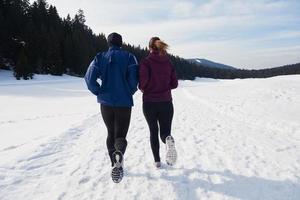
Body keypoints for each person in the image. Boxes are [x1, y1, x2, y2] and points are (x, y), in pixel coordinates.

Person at [84, 32, 138, 183]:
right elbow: (134, 79)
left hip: (106, 103)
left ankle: (114, 163)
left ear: (108, 43)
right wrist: (128, 91)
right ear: (121, 43)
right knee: (120, 135)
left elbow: (89, 79)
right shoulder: (129, 57)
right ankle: (119, 155)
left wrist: (98, 91)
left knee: (110, 133)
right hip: (124, 103)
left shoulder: (99, 57)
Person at [139, 37, 178, 168]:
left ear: (149, 48)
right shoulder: (168, 63)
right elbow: (175, 84)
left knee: (153, 131)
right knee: (165, 132)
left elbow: (142, 83)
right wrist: (164, 87)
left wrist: (144, 88)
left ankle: (157, 161)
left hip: (149, 102)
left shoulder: (146, 62)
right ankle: (168, 141)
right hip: (166, 102)